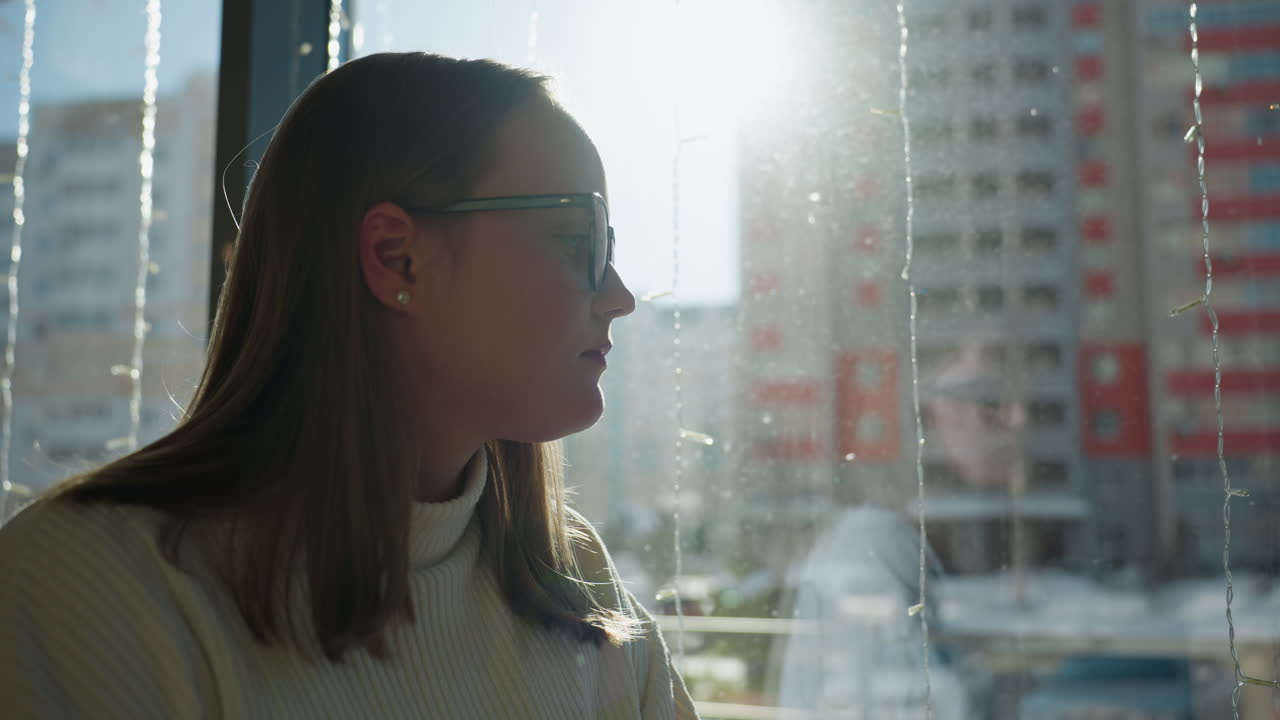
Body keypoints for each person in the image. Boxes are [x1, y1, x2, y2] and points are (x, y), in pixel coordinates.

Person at [0, 51, 698, 719]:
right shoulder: (95, 593)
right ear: (398, 259)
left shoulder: (573, 579)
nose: (619, 296)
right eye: (582, 240)